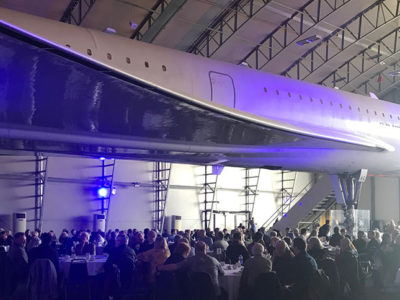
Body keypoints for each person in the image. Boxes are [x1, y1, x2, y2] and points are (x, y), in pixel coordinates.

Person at [158, 241, 225, 296]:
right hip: (212, 292)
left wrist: (159, 268)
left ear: (195, 250)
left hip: (195, 292)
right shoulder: (214, 260)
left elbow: (175, 266)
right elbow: (222, 273)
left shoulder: (190, 260)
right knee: (224, 292)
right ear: (205, 249)